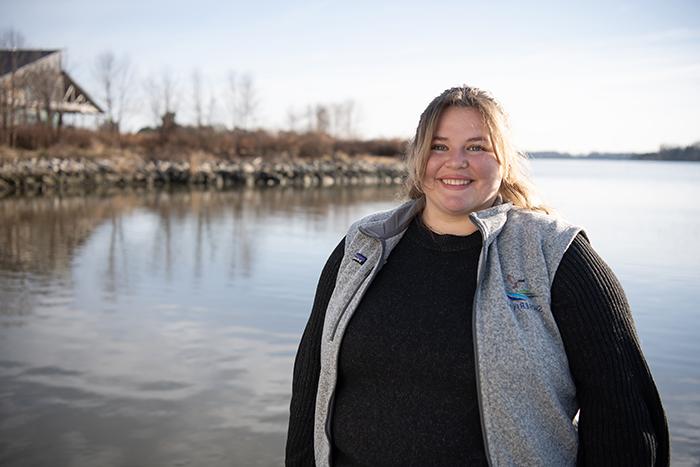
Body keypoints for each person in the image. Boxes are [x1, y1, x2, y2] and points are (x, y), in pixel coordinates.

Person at [285, 86, 669, 466]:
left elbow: (623, 412)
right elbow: (310, 378)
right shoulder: (363, 245)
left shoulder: (555, 254)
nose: (456, 162)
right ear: (418, 158)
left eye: (476, 147)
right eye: (439, 146)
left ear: (504, 160)